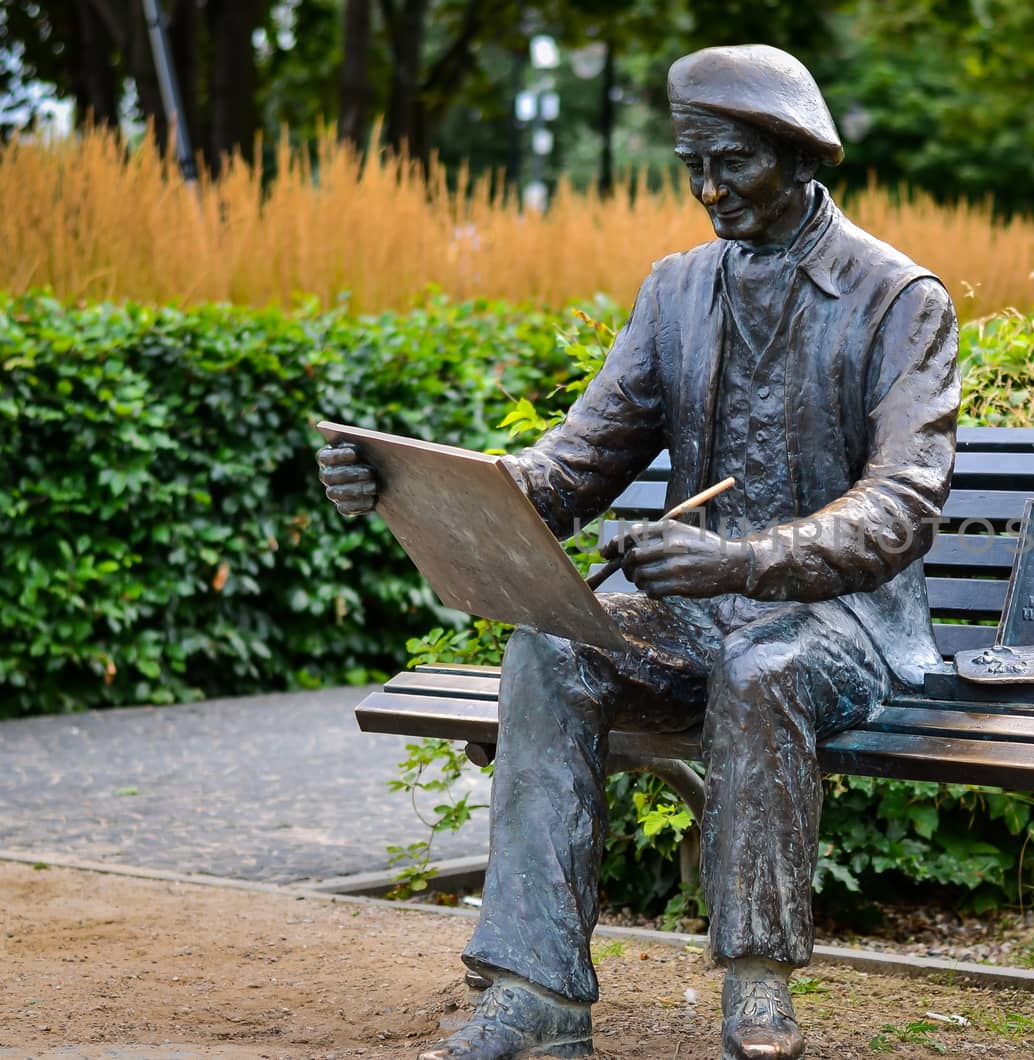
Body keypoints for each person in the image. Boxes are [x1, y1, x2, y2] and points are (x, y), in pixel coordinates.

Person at [318, 44, 959, 1060]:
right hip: (695, 618)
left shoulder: (896, 298)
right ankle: (539, 992)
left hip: (842, 626)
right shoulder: (675, 293)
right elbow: (573, 467)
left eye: (730, 164)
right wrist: (406, 481)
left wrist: (743, 564)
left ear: (795, 155)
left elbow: (902, 505)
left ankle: (756, 986)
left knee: (766, 667)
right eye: (690, 165)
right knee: (553, 646)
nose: (707, 191)